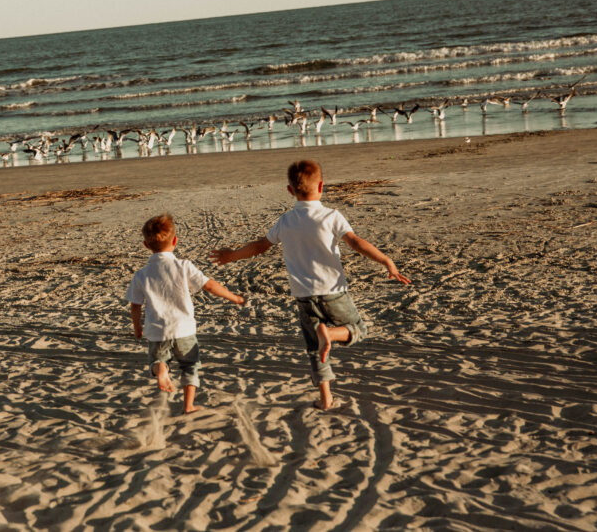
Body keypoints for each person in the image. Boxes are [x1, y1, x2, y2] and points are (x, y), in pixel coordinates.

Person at [209, 160, 411, 410]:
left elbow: (260, 245)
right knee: (358, 328)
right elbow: (356, 242)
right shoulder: (331, 216)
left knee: (315, 349)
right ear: (322, 186)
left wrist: (232, 255)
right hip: (333, 292)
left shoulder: (286, 220)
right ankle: (333, 334)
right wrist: (386, 261)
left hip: (304, 296)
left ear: (290, 191)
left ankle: (326, 399)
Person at [127, 213, 246, 414]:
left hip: (157, 332)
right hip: (184, 329)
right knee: (190, 366)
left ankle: (161, 369)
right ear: (175, 241)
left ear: (146, 246)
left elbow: (135, 305)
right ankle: (188, 405)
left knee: (157, 361)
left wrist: (138, 328)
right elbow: (209, 286)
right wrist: (234, 297)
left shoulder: (141, 274)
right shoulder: (183, 266)